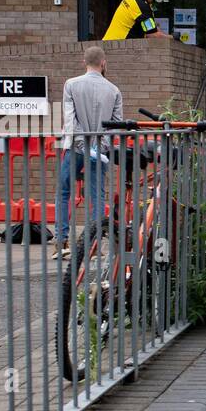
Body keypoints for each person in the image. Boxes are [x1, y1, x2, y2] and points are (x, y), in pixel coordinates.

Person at [53, 46, 123, 258]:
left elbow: (70, 120)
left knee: (64, 192)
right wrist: (98, 148)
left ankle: (62, 242)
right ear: (103, 63)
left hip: (75, 147)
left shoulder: (71, 85)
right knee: (97, 196)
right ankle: (93, 245)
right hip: (100, 149)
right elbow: (116, 125)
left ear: (84, 62)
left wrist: (84, 147)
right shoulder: (114, 90)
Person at [102, 0, 171, 41]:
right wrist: (173, 38)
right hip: (117, 47)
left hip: (111, 44)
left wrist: (160, 32)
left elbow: (152, 28)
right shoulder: (141, 6)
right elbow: (152, 35)